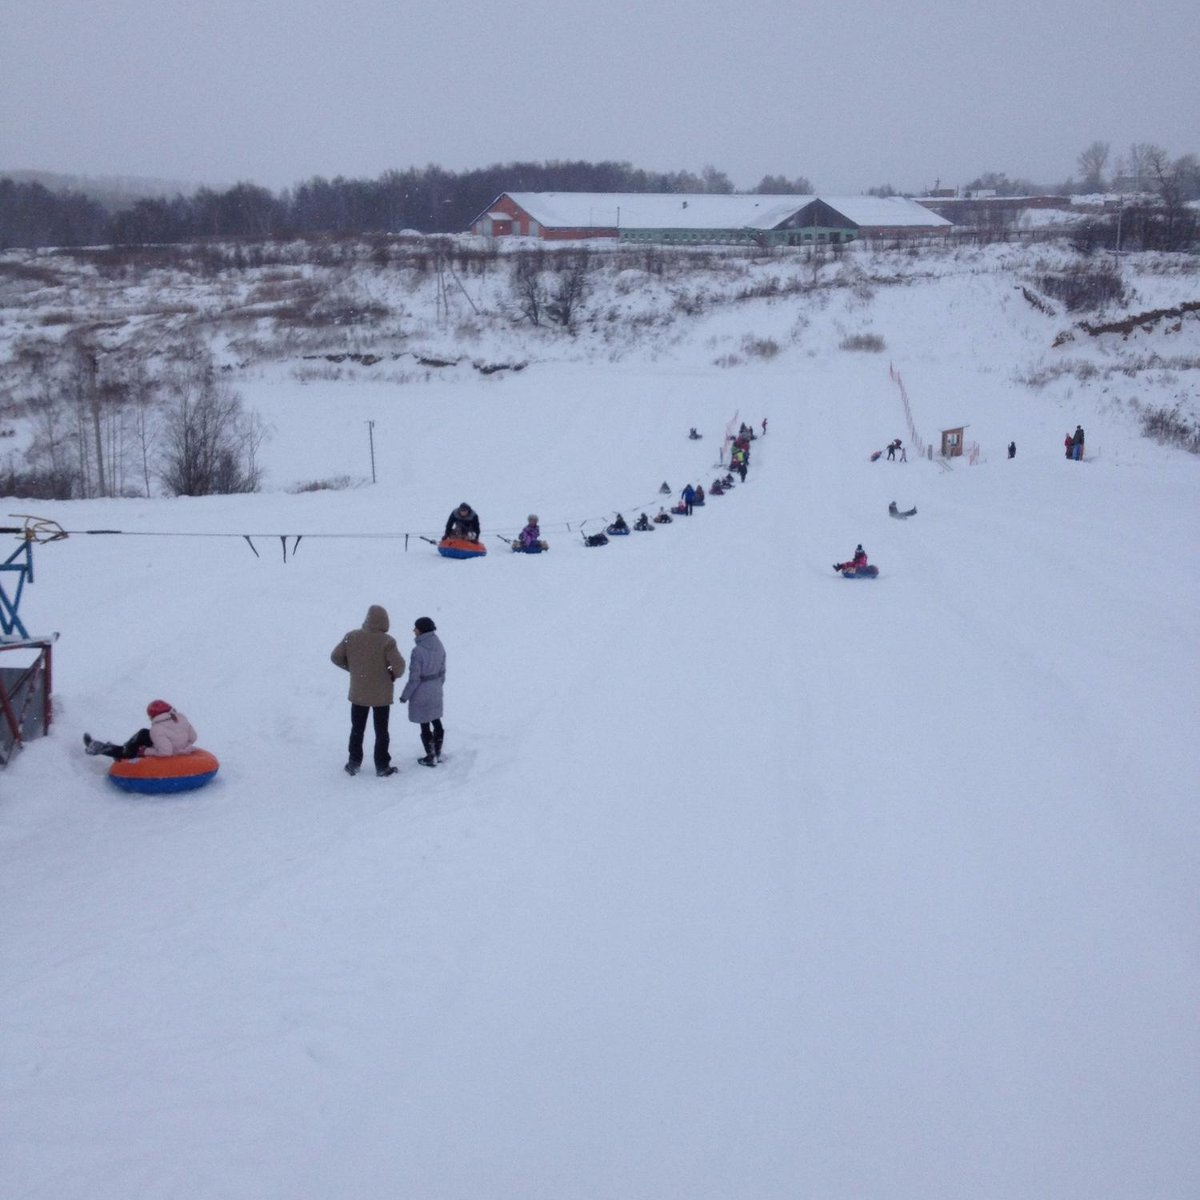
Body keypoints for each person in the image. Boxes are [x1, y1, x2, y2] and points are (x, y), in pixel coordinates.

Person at [331, 604, 406, 777]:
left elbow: (335, 657)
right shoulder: (387, 641)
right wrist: (389, 673)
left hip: (358, 693)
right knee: (381, 731)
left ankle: (353, 763)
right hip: (381, 695)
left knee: (357, 729)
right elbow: (400, 668)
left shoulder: (351, 636)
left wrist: (353, 669)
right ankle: (382, 766)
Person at [399, 617, 447, 767]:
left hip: (421, 691)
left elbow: (414, 678)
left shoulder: (417, 651)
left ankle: (430, 755)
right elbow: (443, 671)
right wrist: (437, 686)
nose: (413, 630)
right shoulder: (440, 646)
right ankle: (437, 753)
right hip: (436, 689)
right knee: (436, 721)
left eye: (415, 628)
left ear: (421, 630)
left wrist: (405, 696)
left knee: (424, 723)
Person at [84, 700, 197, 761]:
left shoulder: (157, 729)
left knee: (136, 743)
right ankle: (123, 747)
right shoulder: (181, 718)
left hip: (172, 751)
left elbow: (166, 752)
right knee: (144, 734)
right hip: (181, 748)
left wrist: (145, 752)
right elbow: (193, 737)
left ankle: (115, 751)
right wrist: (180, 742)